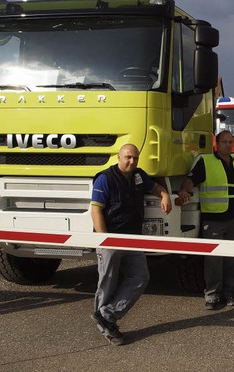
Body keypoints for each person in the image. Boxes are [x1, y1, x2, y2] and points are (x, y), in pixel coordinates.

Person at [90, 143, 172, 345]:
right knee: (107, 282)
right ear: (119, 157)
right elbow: (96, 211)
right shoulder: (105, 178)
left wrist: (164, 194)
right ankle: (105, 325)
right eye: (128, 157)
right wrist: (104, 240)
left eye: (135, 158)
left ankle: (107, 315)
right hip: (111, 237)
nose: (132, 161)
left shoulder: (139, 175)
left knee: (140, 276)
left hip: (133, 238)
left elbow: (155, 187)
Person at [177, 130, 234, 310]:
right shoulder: (206, 161)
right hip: (214, 219)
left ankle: (228, 292)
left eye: (230, 142)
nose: (228, 145)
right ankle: (212, 295)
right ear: (217, 142)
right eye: (224, 142)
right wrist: (185, 190)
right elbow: (191, 180)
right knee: (213, 259)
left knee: (233, 258)